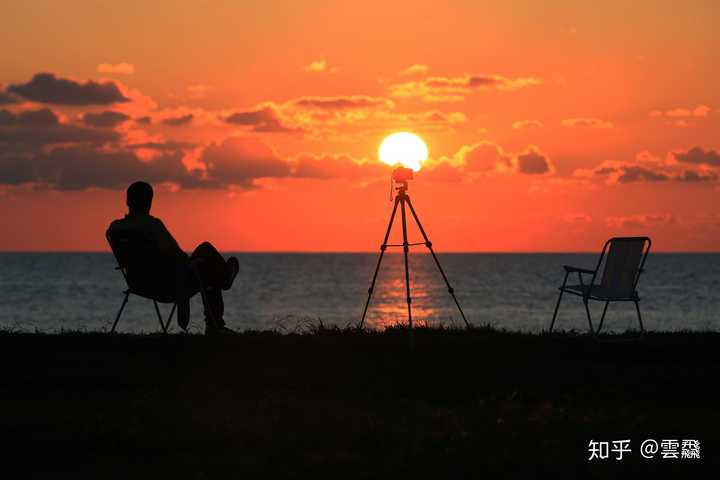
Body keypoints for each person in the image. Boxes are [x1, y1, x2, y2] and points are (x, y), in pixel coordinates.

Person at [108, 181, 239, 335]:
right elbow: (176, 255)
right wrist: (192, 263)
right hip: (169, 285)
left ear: (127, 201)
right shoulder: (152, 226)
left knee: (204, 259)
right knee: (206, 257)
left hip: (139, 283)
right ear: (150, 202)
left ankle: (223, 279)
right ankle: (216, 320)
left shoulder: (115, 228)